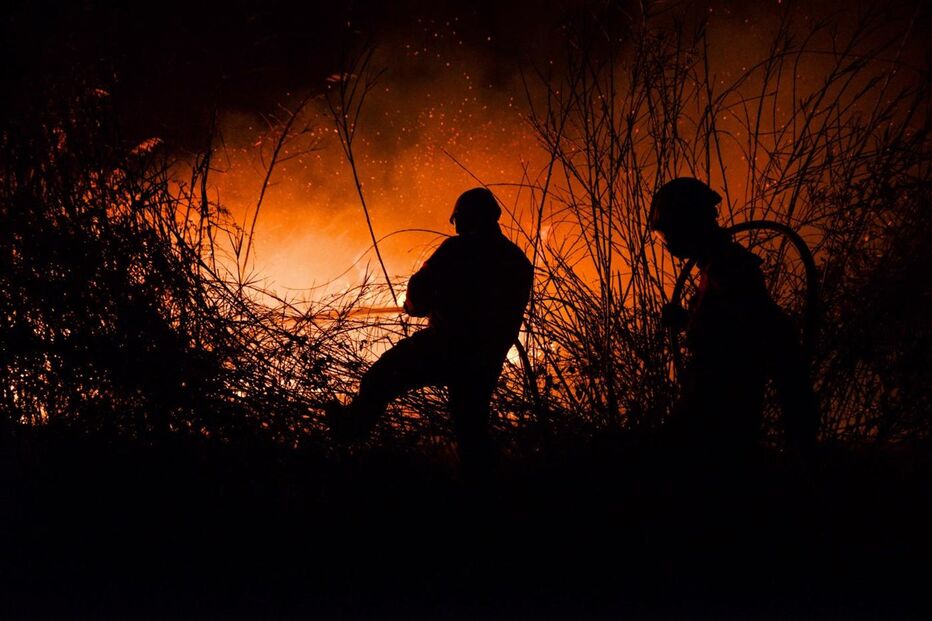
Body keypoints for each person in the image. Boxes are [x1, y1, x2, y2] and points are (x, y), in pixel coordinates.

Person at [326, 187, 534, 476]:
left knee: (382, 376)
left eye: (458, 218)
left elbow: (419, 295)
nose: (456, 226)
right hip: (486, 359)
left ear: (469, 218)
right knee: (471, 429)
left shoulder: (457, 250)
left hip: (443, 347)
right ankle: (486, 491)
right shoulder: (517, 261)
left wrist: (413, 306)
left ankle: (347, 432)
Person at [649, 177, 820, 462]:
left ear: (685, 226)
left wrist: (800, 423)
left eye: (667, 234)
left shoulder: (729, 270)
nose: (667, 245)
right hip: (712, 420)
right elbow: (726, 330)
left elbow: (771, 337)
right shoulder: (717, 268)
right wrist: (687, 321)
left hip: (719, 426)